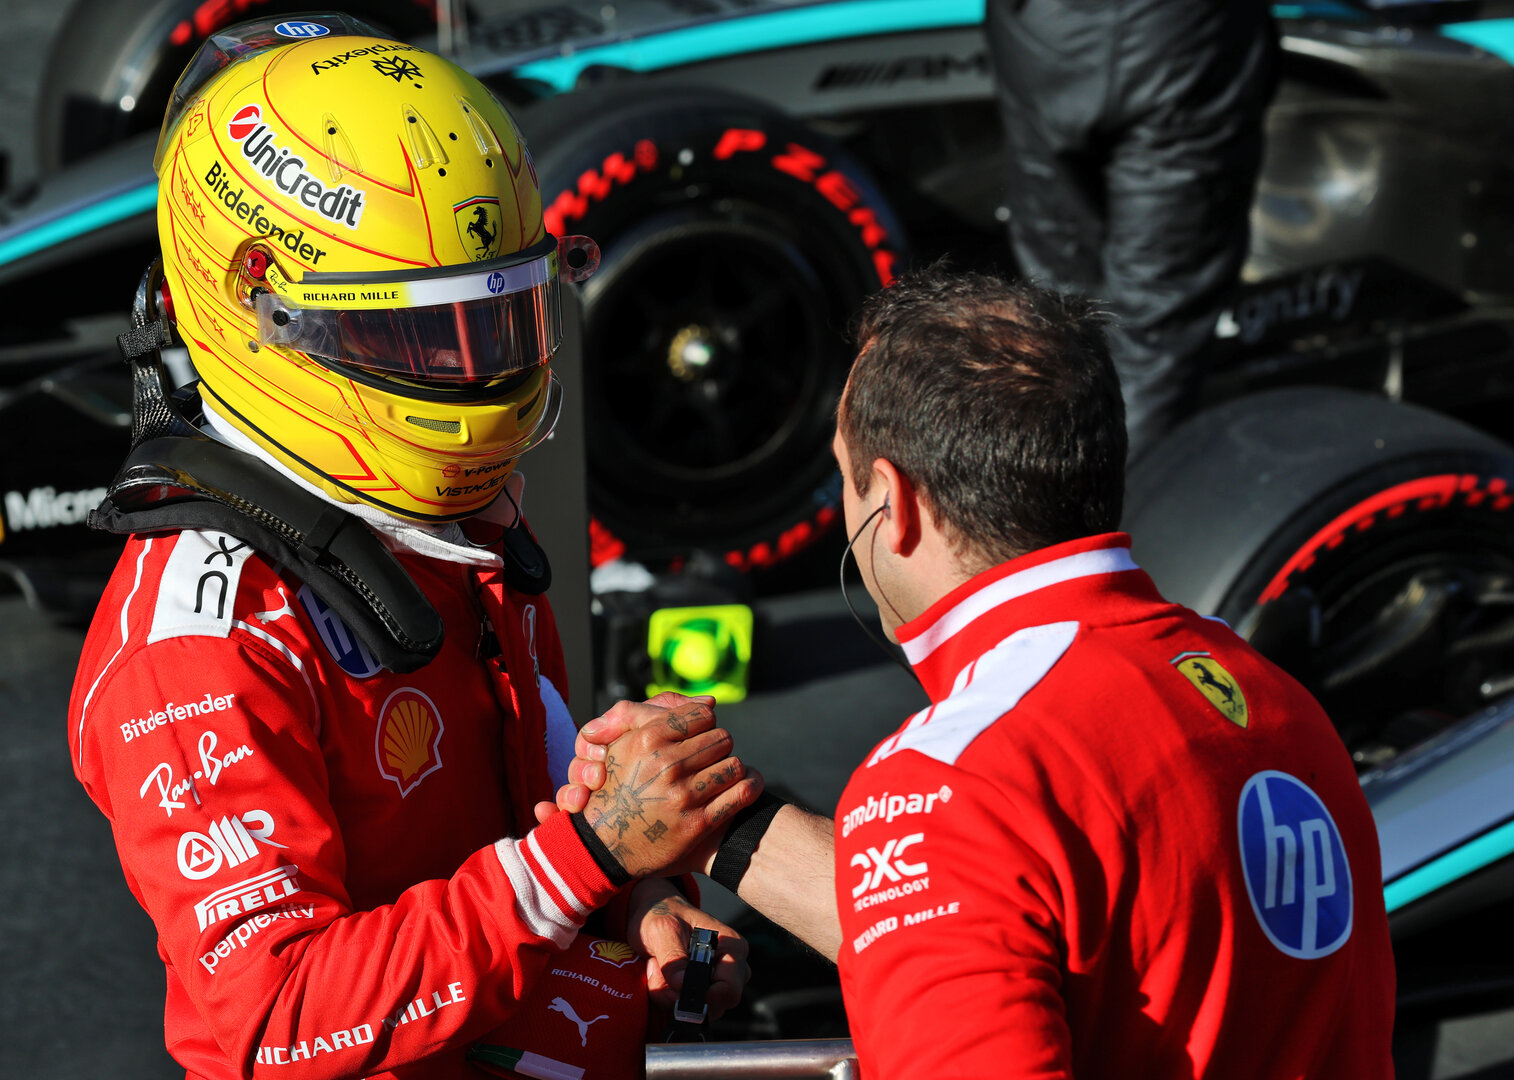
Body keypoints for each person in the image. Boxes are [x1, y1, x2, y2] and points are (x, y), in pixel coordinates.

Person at [66, 15, 758, 1080]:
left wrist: (641, 894)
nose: (473, 370)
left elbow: (528, 801)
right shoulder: (199, 647)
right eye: (418, 334)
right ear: (263, 303)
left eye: (499, 321)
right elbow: (279, 1019)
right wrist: (591, 857)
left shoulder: (445, 513)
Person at [556, 267, 1397, 1078]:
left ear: (894, 501)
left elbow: (972, 867)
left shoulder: (949, 781)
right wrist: (715, 814)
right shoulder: (1258, 688)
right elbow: (992, 923)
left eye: (844, 477)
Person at [986, 0, 1280, 457]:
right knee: (1151, 336)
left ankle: (1053, 505)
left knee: (1061, 317)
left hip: (1042, 35)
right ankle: (1123, 511)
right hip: (1181, 40)